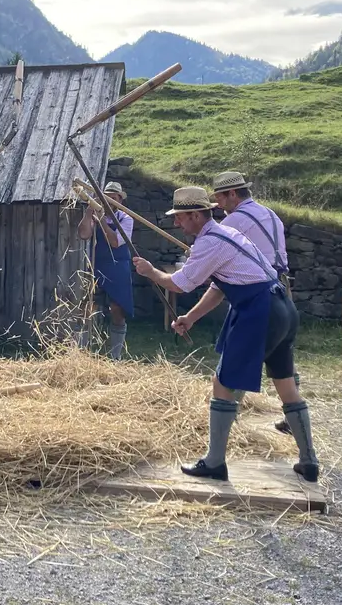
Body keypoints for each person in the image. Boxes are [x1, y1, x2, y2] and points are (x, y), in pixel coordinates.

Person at [133, 186, 319, 484]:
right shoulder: (227, 235)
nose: (176, 224)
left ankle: (215, 463)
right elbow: (219, 287)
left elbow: (180, 284)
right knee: (285, 384)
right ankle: (309, 462)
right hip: (282, 307)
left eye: (180, 217)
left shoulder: (210, 242)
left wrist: (151, 272)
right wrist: (191, 317)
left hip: (259, 312)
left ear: (196, 215)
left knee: (222, 382)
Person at [209, 171, 300, 433]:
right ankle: (292, 418)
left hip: (255, 289)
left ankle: (228, 417)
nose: (217, 203)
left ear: (232, 194)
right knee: (282, 355)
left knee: (238, 356)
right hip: (282, 286)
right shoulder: (270, 214)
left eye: (220, 197)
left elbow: (219, 251)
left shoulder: (235, 220)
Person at [77, 181, 135, 359]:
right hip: (98, 264)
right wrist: (89, 212)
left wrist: (102, 220)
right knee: (88, 306)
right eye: (106, 198)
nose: (109, 202)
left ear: (120, 201)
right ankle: (82, 351)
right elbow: (83, 234)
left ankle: (114, 356)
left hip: (118, 266)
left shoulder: (126, 218)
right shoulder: (94, 216)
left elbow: (115, 242)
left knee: (117, 308)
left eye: (114, 198)